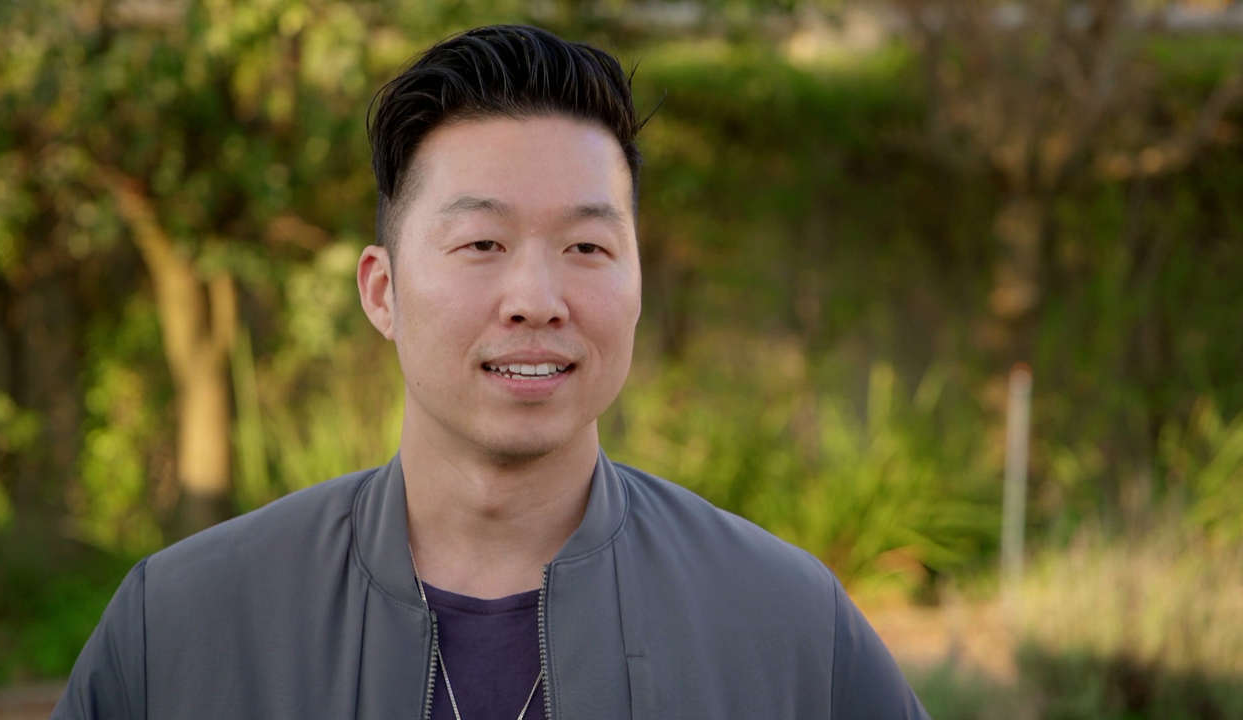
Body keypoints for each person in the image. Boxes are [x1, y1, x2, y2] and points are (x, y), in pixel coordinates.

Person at [54, 24, 929, 720]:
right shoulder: (181, 628)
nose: (536, 300)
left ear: (637, 284)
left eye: (587, 247)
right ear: (383, 291)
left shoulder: (785, 626)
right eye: (482, 243)